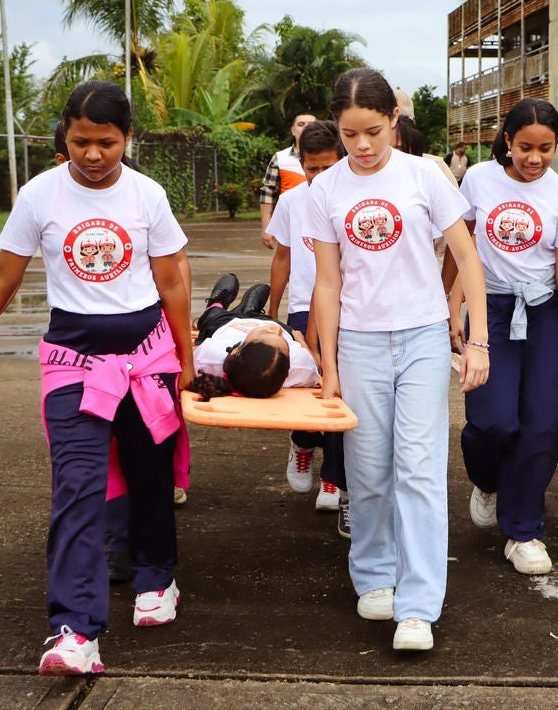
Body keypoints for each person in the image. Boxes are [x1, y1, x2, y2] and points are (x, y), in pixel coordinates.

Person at [0, 80, 195, 676]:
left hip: (148, 359)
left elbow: (173, 282)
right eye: (81, 142)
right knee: (78, 488)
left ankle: (157, 577)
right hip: (73, 364)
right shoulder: (39, 196)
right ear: (64, 138)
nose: (93, 155)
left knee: (151, 474)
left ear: (127, 139)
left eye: (107, 142)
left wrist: (186, 359)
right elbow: (3, 273)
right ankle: (74, 630)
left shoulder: (148, 196)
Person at [306, 67, 490, 652]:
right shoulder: (325, 190)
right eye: (350, 134)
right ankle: (375, 576)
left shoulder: (425, 177)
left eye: (374, 132)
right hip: (358, 342)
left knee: (418, 467)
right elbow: (328, 285)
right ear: (336, 127)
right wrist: (329, 365)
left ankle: (418, 605)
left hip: (423, 338)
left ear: (393, 123)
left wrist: (476, 340)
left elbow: (468, 259)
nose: (362, 146)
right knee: (367, 468)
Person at [440, 98, 558, 576]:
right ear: (507, 140)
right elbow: (460, 248)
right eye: (526, 147)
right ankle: (486, 480)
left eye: (546, 148)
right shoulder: (480, 178)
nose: (535, 158)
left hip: (543, 313)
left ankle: (524, 530)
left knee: (542, 425)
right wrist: (449, 304)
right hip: (492, 310)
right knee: (493, 420)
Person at [267, 120, 352, 534]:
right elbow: (282, 257)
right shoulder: (291, 201)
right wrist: (273, 307)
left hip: (346, 309)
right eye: (311, 168)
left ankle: (333, 477)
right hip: (303, 307)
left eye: (326, 167)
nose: (319, 177)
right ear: (301, 165)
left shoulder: (352, 198)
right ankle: (302, 443)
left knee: (339, 394)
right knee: (304, 388)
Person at [190, 274, 319, 399]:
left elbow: (189, 359)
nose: (276, 331)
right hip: (266, 321)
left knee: (211, 317)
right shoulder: (299, 365)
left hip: (228, 325)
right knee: (264, 319)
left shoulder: (210, 356)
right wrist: (300, 339)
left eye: (267, 333)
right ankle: (250, 308)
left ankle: (216, 303)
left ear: (235, 351)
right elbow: (315, 365)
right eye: (283, 340)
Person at [259, 112, 318, 249]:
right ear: (293, 130)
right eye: (301, 124)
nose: (306, 128)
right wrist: (266, 227)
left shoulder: (331, 157)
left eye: (311, 125)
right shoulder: (280, 158)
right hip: (291, 224)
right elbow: (267, 192)